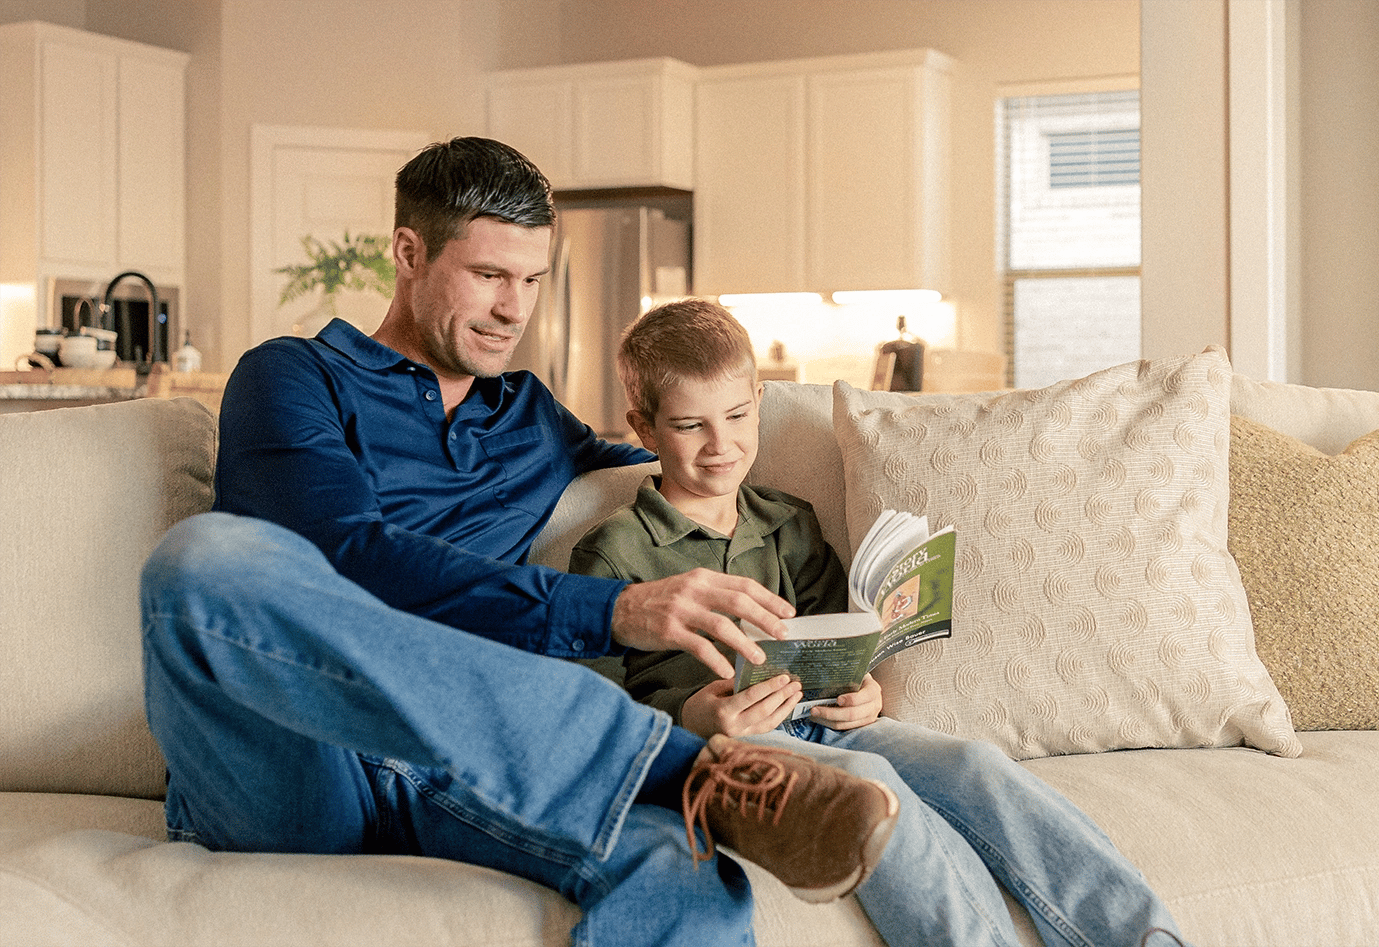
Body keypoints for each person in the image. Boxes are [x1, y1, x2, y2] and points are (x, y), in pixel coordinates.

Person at [137, 137, 901, 947]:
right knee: (201, 562)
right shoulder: (293, 377)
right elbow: (346, 555)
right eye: (490, 275)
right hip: (301, 756)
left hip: (468, 767)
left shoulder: (528, 414)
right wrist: (616, 609)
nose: (516, 308)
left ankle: (687, 790)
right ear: (408, 252)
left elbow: (677, 452)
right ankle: (676, 770)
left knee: (681, 861)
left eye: (533, 279)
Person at [569, 298, 1191, 947]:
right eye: (692, 425)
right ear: (644, 427)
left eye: (736, 415)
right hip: (725, 749)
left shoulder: (788, 520)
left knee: (977, 763)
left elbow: (837, 634)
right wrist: (696, 715)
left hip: (827, 720)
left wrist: (861, 686)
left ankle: (1143, 935)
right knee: (870, 785)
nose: (721, 443)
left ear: (758, 400)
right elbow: (592, 710)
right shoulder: (616, 549)